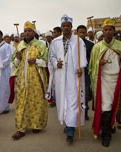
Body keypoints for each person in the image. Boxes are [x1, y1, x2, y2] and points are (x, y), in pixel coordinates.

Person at [49, 15, 87, 143]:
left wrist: (81, 67)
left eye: (68, 26)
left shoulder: (78, 40)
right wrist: (55, 64)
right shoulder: (55, 41)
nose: (66, 28)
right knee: (62, 101)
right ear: (61, 27)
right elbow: (52, 57)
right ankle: (68, 123)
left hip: (74, 76)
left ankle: (70, 130)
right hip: (60, 75)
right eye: (63, 26)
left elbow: (82, 56)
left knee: (73, 101)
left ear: (71, 27)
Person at [12, 21, 48, 140]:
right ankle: (20, 129)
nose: (27, 33)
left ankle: (35, 124)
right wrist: (17, 58)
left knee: (36, 101)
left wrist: (36, 61)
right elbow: (15, 64)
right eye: (25, 31)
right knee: (21, 102)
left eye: (29, 31)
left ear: (34, 32)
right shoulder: (20, 45)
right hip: (22, 79)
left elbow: (46, 62)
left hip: (36, 79)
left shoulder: (40, 45)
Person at [89, 19, 121, 147]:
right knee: (106, 107)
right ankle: (105, 134)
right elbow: (91, 66)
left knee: (115, 105)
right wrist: (98, 63)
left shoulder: (119, 45)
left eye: (110, 29)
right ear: (103, 31)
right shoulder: (97, 47)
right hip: (103, 80)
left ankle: (110, 124)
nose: (108, 32)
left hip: (116, 80)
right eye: (106, 29)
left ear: (114, 31)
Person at [77, 25, 94, 120]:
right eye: (80, 32)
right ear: (77, 33)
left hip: (86, 73)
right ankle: (76, 112)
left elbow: (92, 60)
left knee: (86, 93)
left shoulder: (90, 45)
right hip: (75, 73)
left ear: (86, 33)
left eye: (84, 32)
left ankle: (85, 112)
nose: (82, 34)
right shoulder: (73, 44)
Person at [0, 30, 12, 114]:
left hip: (4, 71)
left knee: (4, 88)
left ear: (1, 36)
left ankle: (5, 107)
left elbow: (8, 58)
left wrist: (0, 64)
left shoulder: (7, 46)